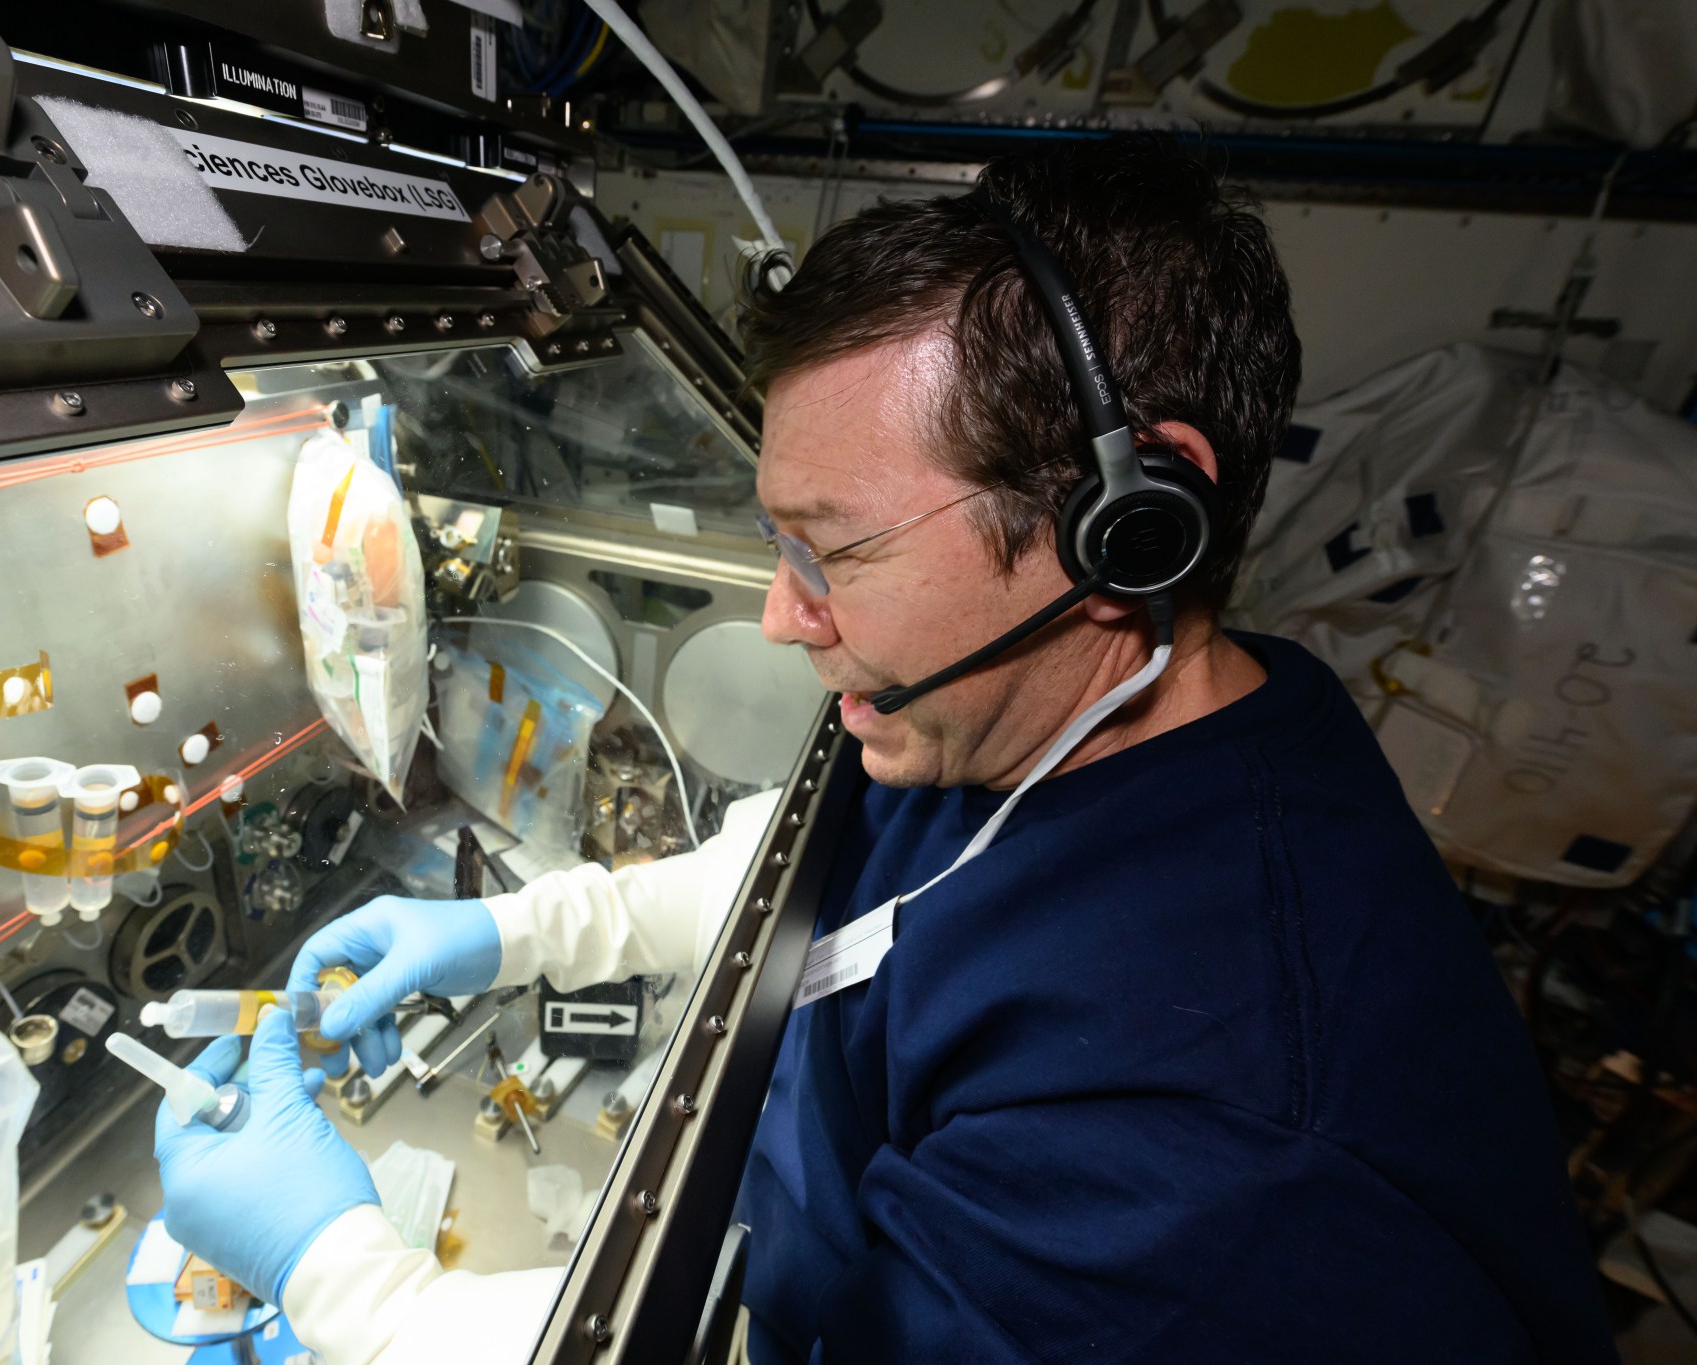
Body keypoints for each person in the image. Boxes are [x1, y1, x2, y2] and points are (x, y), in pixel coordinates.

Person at [154, 136, 1617, 1363]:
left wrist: (344, 1277)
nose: (785, 619)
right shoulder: (1070, 718)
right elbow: (846, 891)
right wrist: (523, 931)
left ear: (1130, 528)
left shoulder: (1211, 1164)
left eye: (830, 551)